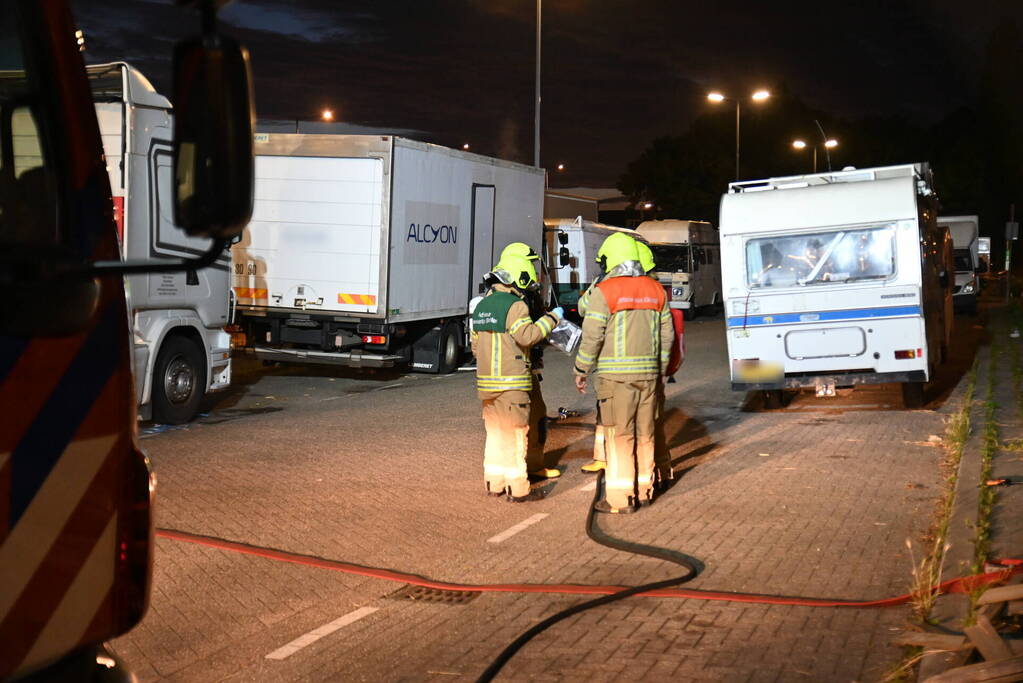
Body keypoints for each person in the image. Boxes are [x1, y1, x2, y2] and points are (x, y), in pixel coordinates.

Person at [574, 233, 673, 513]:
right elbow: (667, 336)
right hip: (648, 376)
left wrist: (581, 368)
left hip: (616, 379)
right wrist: (661, 368)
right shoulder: (655, 290)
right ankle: (644, 490)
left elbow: (592, 335)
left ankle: (620, 499)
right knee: (645, 434)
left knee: (620, 437)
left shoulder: (605, 291)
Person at [471, 255, 563, 501]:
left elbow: (475, 346)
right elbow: (527, 336)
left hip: (487, 385)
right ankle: (518, 488)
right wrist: (552, 318)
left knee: (496, 434)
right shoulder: (515, 306)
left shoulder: (481, 306)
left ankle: (494, 483)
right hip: (512, 384)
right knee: (515, 436)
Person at [496, 243, 560, 480]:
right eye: (529, 264)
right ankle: (522, 470)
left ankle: (530, 465)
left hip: (523, 367)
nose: (533, 270)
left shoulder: (514, 296)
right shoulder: (515, 301)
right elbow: (527, 334)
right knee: (523, 420)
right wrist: (551, 320)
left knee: (536, 415)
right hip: (515, 371)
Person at [636, 241, 685, 490]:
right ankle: (664, 471)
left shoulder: (629, 290)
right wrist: (667, 368)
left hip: (636, 372)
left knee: (639, 430)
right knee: (655, 423)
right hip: (654, 369)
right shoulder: (657, 291)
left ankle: (648, 477)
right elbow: (669, 335)